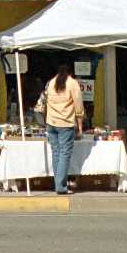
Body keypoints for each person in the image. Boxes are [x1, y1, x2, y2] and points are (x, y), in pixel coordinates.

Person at [35, 63, 85, 195]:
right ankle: (61, 186)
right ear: (71, 73)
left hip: (51, 123)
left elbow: (44, 103)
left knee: (56, 153)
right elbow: (78, 107)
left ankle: (58, 184)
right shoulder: (72, 83)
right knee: (64, 154)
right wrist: (80, 127)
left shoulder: (51, 83)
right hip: (65, 124)